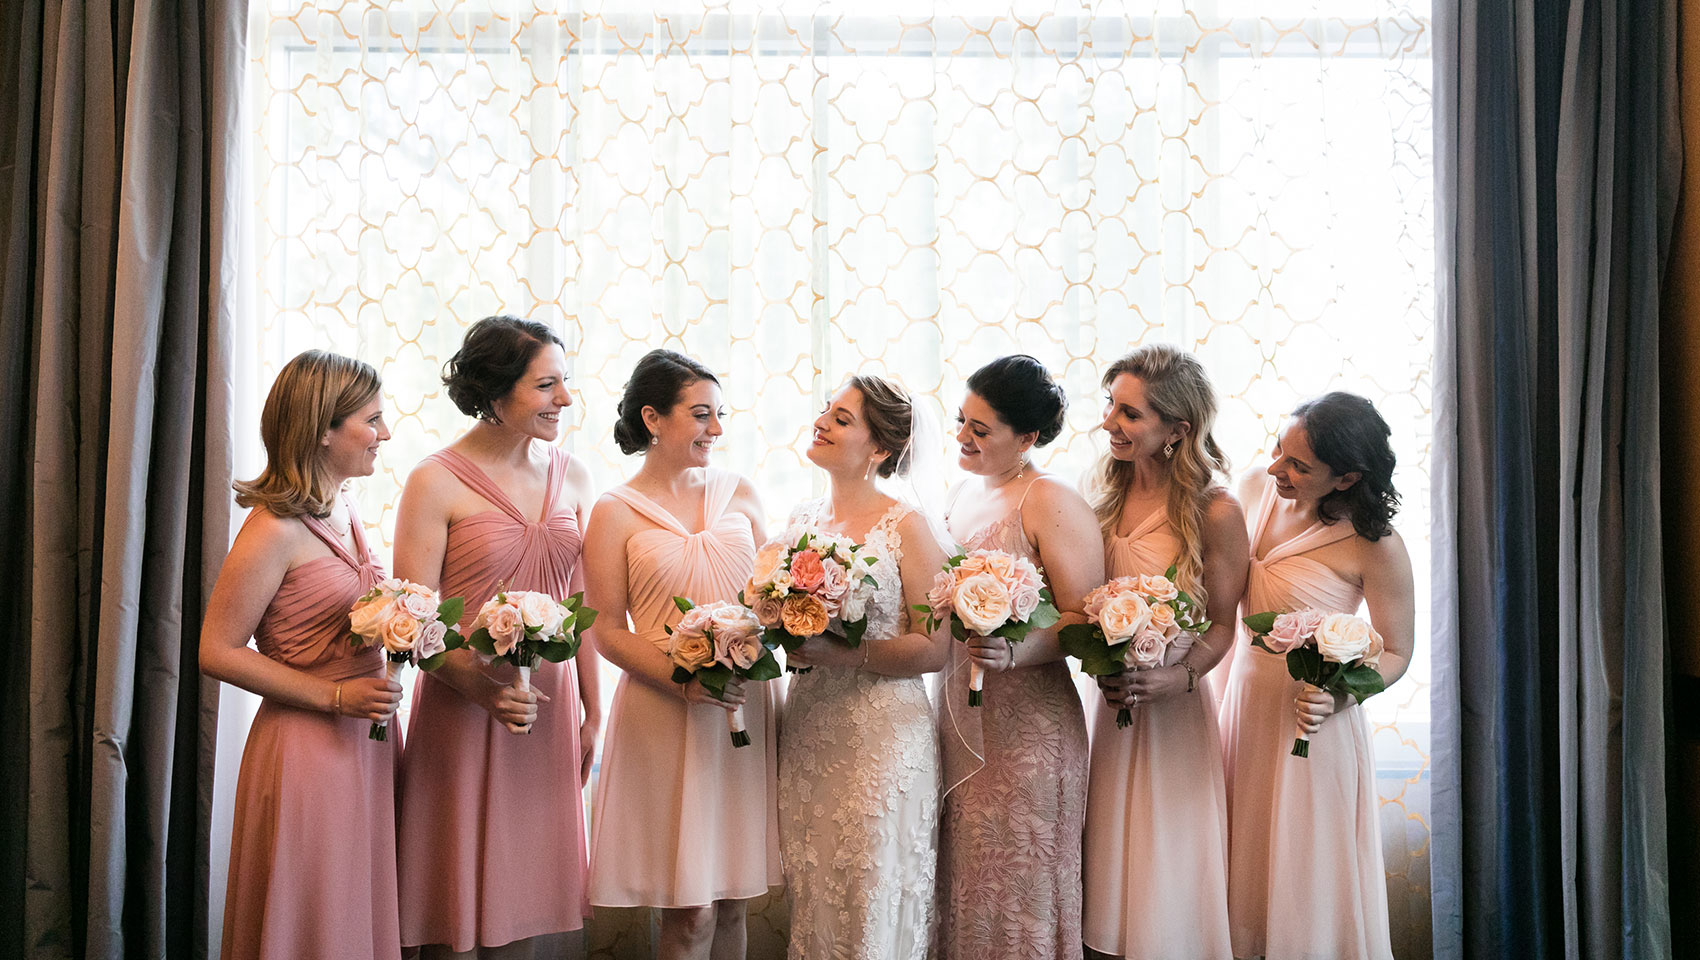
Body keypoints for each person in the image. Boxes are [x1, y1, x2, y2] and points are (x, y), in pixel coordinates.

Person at [393, 316, 599, 958]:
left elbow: (582, 604)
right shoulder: (435, 480)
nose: (564, 400)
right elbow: (414, 621)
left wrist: (595, 711)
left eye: (565, 383)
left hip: (548, 713)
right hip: (464, 708)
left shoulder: (576, 475)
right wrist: (483, 691)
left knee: (526, 902)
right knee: (454, 916)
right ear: (495, 391)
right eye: (545, 385)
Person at [200, 349, 403, 960]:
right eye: (371, 420)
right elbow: (216, 649)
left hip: (364, 747)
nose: (385, 433)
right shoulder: (273, 529)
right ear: (323, 430)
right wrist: (336, 696)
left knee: (350, 915)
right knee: (314, 918)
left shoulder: (345, 507)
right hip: (307, 750)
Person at [583, 348, 779, 960]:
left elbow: (775, 599)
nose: (716, 430)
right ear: (653, 418)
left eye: (719, 415)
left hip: (743, 712)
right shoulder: (613, 512)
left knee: (731, 902)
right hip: (664, 712)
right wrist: (684, 680)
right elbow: (607, 630)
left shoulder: (740, 492)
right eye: (700, 415)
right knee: (689, 910)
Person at [1219, 391, 1414, 960]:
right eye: (1279, 450)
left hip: (1313, 722)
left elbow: (1397, 651)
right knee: (1244, 862)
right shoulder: (1255, 489)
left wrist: (1341, 696)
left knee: (1306, 872)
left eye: (1299, 466)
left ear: (1347, 477)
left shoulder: (1376, 545)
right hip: (1244, 704)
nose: (1277, 467)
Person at [1081, 345, 1247, 959]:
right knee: (1112, 860)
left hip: (1176, 712)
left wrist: (1176, 679)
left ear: (1177, 430)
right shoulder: (1100, 496)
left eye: (1129, 414)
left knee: (1168, 864)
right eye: (1110, 406)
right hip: (1113, 703)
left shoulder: (1217, 510)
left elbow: (1224, 628)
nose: (1109, 424)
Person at [777, 374, 950, 960]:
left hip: (882, 737)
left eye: (842, 419)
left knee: (873, 889)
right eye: (826, 410)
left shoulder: (906, 527)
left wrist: (844, 653)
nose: (822, 422)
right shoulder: (801, 519)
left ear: (879, 449)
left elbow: (934, 646)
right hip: (808, 729)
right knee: (816, 888)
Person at [935, 355, 1099, 959]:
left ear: (1026, 438)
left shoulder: (1051, 499)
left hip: (1030, 726)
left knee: (1021, 886)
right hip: (959, 712)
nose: (963, 438)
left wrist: (1016, 650)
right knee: (968, 882)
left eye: (981, 431)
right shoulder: (957, 493)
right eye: (961, 421)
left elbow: (1085, 619)